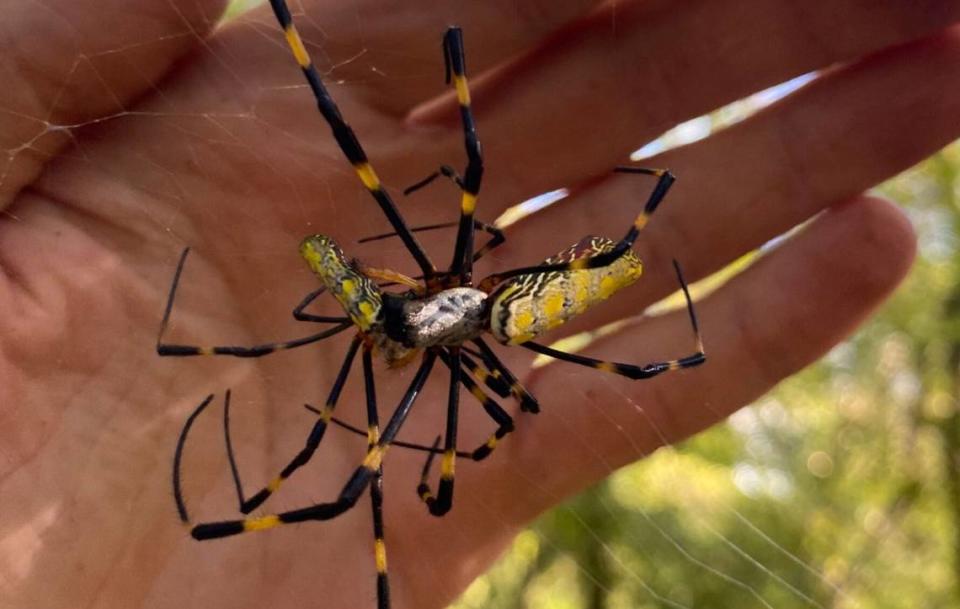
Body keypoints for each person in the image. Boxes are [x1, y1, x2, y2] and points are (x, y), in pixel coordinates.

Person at [1, 1, 957, 607]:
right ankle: (324, 35)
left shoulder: (433, 304)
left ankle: (362, 43)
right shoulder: (426, 326)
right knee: (429, 218)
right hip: (494, 310)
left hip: (497, 305)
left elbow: (558, 365)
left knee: (439, 191)